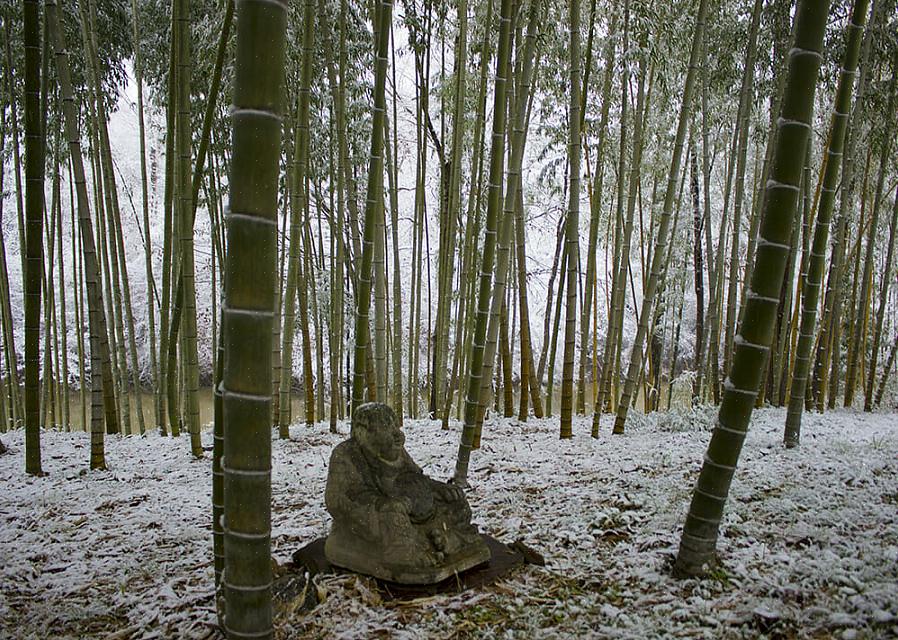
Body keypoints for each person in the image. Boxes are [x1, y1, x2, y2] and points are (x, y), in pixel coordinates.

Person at [324, 403, 490, 583]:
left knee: (455, 500)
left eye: (396, 426)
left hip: (409, 506)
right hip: (374, 514)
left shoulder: (395, 450)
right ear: (362, 432)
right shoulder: (345, 454)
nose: (397, 433)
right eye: (386, 427)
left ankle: (451, 538)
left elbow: (415, 478)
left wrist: (437, 488)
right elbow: (336, 499)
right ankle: (408, 552)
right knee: (392, 514)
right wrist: (380, 503)